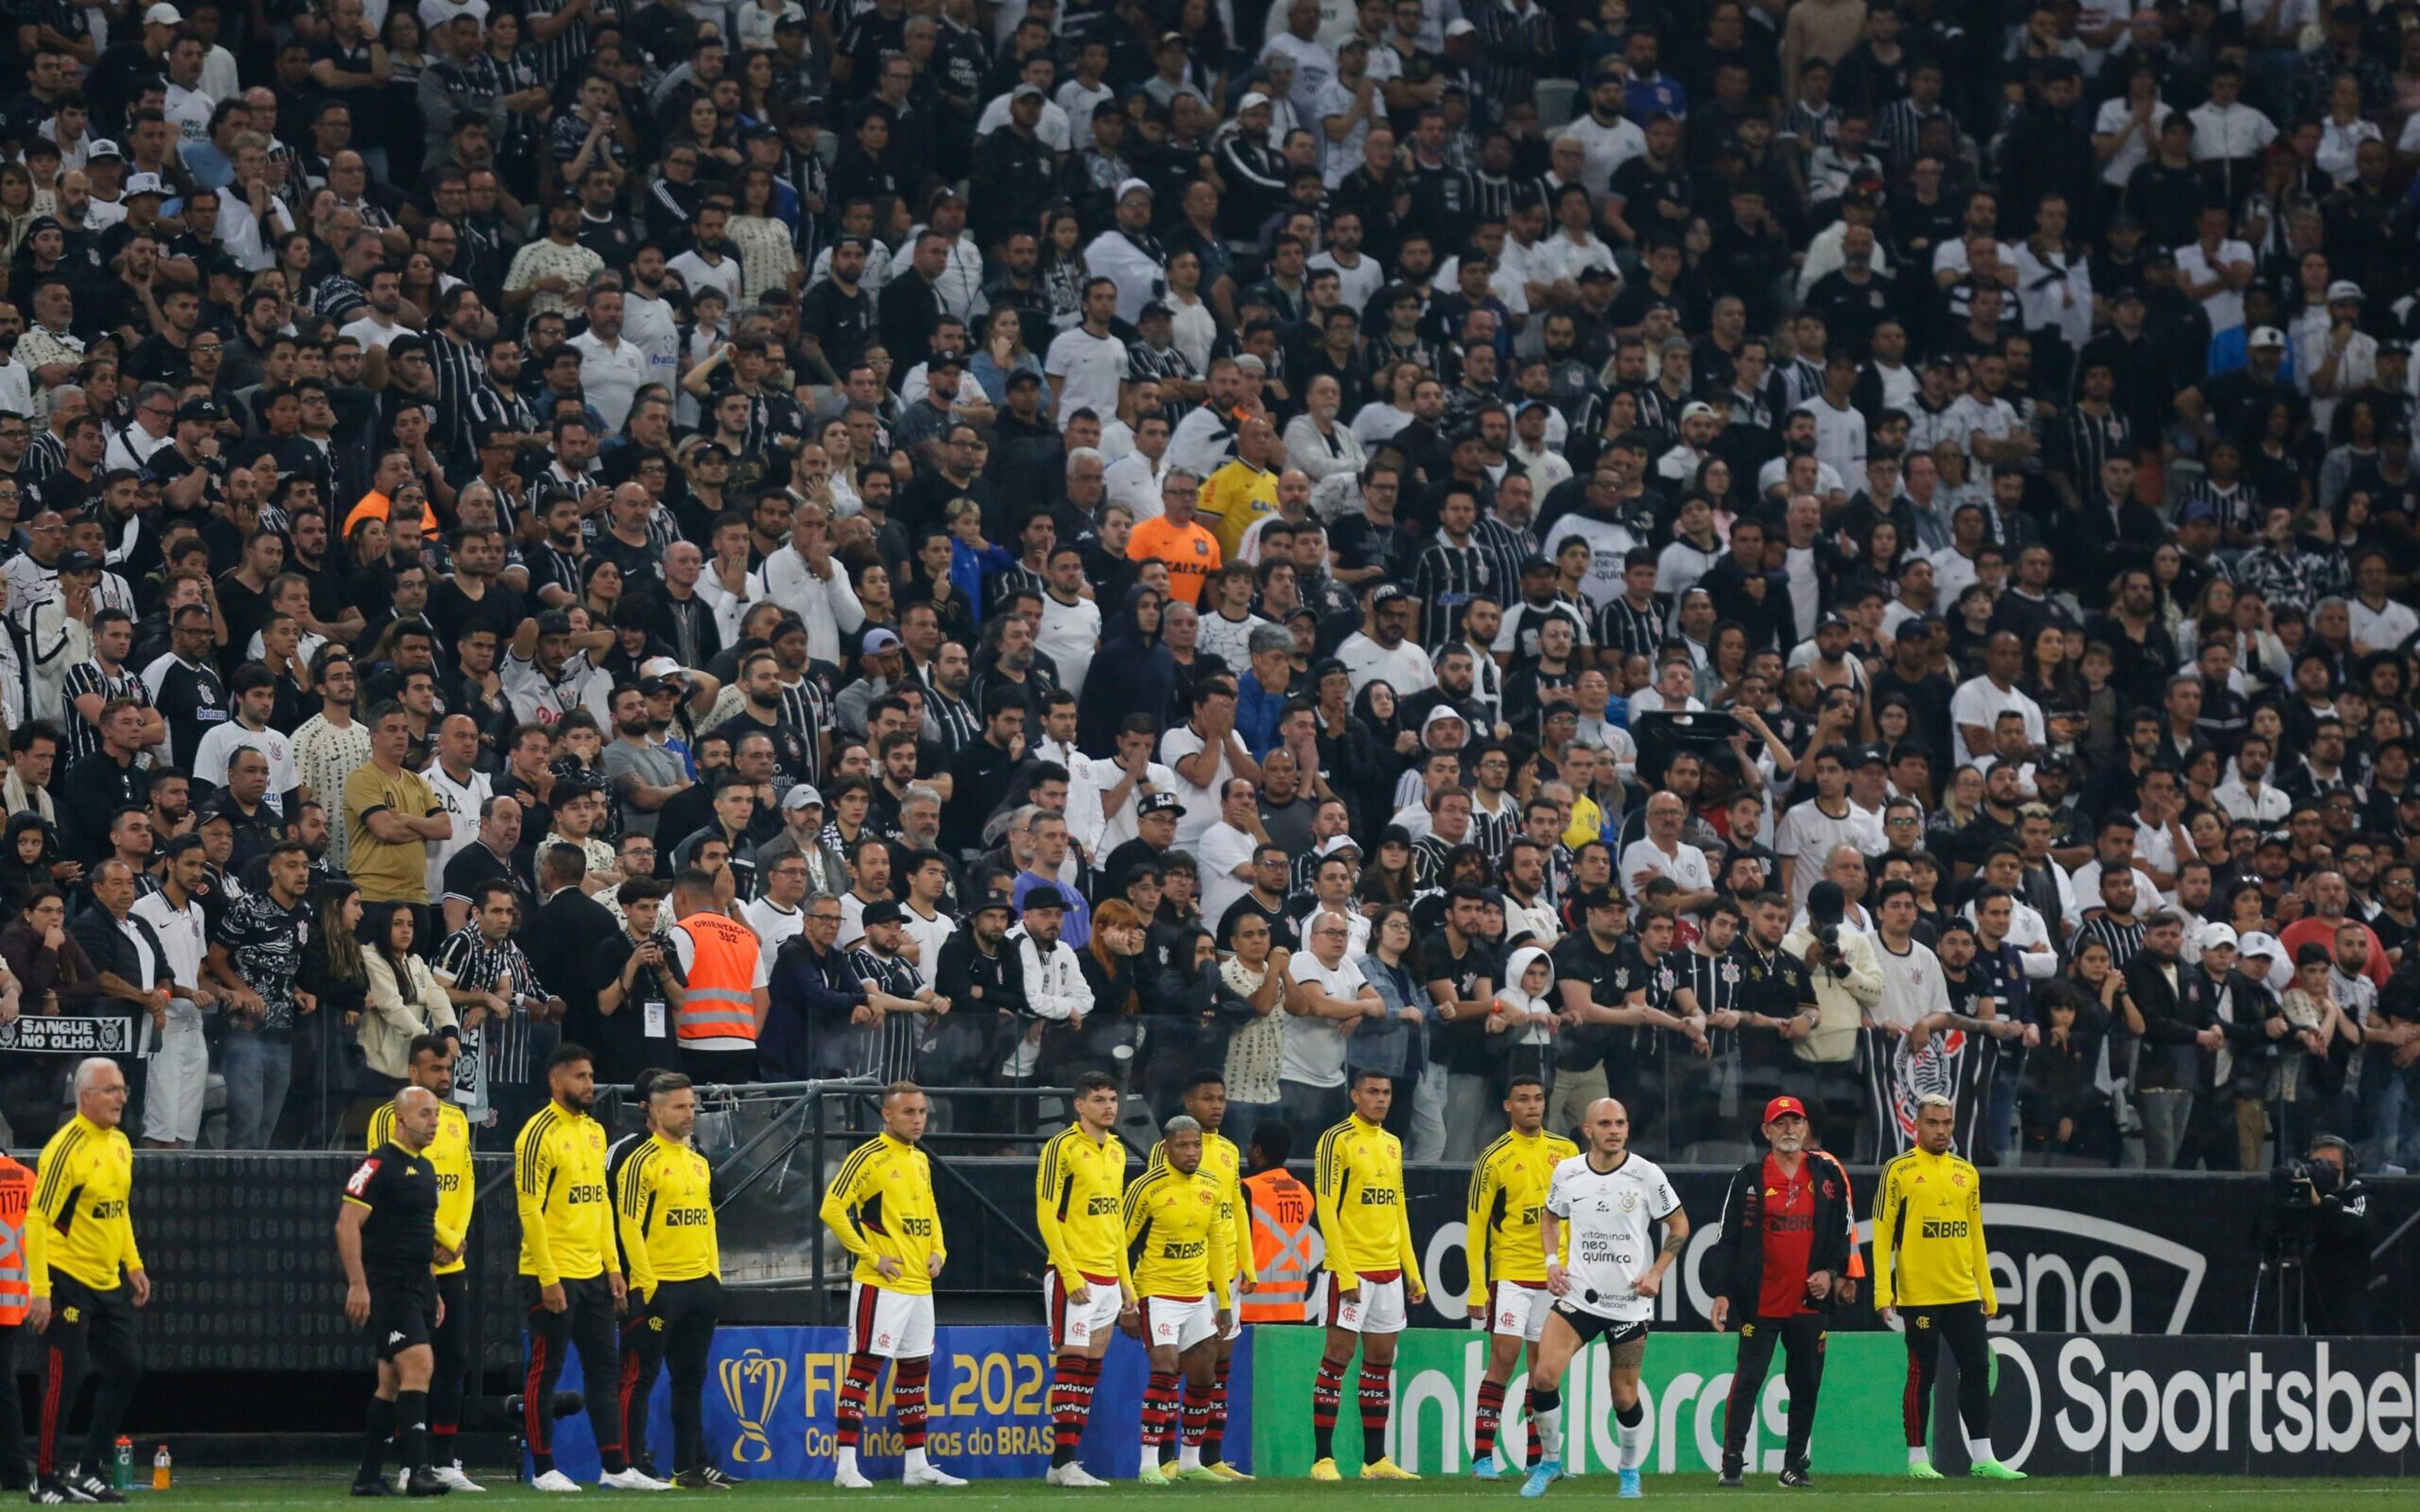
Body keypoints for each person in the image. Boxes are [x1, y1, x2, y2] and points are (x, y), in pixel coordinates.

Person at [514, 1042, 664, 1492]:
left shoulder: (595, 1132)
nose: (589, 1084)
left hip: (594, 1272)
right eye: (579, 1076)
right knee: (547, 1369)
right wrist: (548, 1276)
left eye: (590, 1075)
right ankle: (542, 1469)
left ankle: (615, 1468)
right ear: (556, 1082)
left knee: (606, 1370)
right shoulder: (536, 1134)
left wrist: (613, 1267)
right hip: (553, 1272)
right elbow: (529, 1209)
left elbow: (601, 1204)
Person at [1521, 1096, 1687, 1500]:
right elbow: (1550, 1216)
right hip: (1578, 1297)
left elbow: (1679, 1225)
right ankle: (1550, 1463)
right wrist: (1551, 1262)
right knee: (1543, 1376)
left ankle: (1629, 1471)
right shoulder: (1568, 1172)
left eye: (1622, 1123)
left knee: (1624, 1395)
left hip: (1628, 1304)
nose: (1615, 1130)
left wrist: (1657, 1273)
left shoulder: (1646, 1175)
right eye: (1606, 1124)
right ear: (1588, 1131)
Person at [817, 1080, 964, 1488]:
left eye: (922, 1113)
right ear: (887, 1115)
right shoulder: (868, 1156)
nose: (918, 1120)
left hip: (920, 1284)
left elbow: (931, 1209)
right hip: (882, 1284)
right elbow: (831, 1208)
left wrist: (940, 1250)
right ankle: (845, 1468)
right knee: (864, 1370)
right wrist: (870, 1257)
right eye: (909, 1113)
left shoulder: (919, 1159)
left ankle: (916, 1466)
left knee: (915, 1372)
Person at [1873, 1093, 2025, 1480]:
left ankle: (1983, 1458)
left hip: (1963, 1293)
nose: (1942, 1130)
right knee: (1921, 1374)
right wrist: (1881, 1290)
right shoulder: (1899, 1171)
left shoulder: (1967, 1172)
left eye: (1947, 1123)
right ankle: (1917, 1459)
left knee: (1977, 1369)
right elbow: (1882, 1233)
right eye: (1933, 1123)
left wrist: (1987, 1291)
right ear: (1916, 1126)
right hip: (1920, 1295)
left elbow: (1975, 1235)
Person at [1708, 1096, 1857, 1488]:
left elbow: (1844, 1235)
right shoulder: (1749, 1178)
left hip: (1809, 1304)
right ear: (1767, 1131)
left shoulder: (1827, 1176)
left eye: (1796, 1122)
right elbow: (1727, 1241)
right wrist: (1723, 1293)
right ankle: (1732, 1463)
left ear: (1807, 1129)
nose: (1789, 1129)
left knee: (1805, 1385)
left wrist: (1831, 1272)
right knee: (1748, 1381)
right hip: (1761, 1303)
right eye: (1781, 1123)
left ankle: (1794, 1465)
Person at [28, 1058, 150, 1507]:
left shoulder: (120, 1144)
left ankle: (90, 1468)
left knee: (126, 1368)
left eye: (123, 1090)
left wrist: (132, 1265)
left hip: (106, 1281)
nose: (121, 1097)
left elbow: (118, 1211)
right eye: (111, 1090)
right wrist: (40, 1290)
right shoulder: (66, 1148)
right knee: (65, 1377)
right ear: (85, 1097)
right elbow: (38, 1219)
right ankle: (44, 1478)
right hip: (66, 1279)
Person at [609, 1071, 734, 1490]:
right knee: (639, 1379)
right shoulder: (639, 1161)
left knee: (691, 1381)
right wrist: (646, 1284)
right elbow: (628, 1226)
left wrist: (714, 1277)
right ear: (655, 1110)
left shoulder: (697, 1162)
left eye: (692, 1105)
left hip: (700, 1286)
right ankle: (627, 1468)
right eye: (680, 1106)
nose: (690, 1114)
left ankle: (686, 1469)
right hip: (660, 1287)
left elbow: (707, 1222)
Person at [369, 1035, 481, 1492]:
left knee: (454, 1360)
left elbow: (465, 1183)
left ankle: (447, 1460)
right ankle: (406, 1462)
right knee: (403, 1367)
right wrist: (436, 1242)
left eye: (448, 1070)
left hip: (450, 1261)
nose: (444, 1078)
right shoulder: (387, 1120)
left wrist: (456, 1242)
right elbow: (395, 1190)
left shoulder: (456, 1121)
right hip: (410, 1265)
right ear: (413, 1072)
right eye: (435, 1069)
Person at [1306, 1068, 1423, 1482]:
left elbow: (1398, 1211)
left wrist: (1412, 1270)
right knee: (1337, 1360)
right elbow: (1326, 1208)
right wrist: (1344, 1269)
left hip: (1390, 1272)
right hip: (1351, 1272)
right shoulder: (1337, 1140)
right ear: (1355, 1095)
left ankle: (1375, 1461)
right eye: (1372, 1092)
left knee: (1379, 1362)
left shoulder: (1391, 1144)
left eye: (1387, 1092)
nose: (1381, 1099)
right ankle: (1323, 1459)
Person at [335, 1084, 449, 1498]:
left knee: (391, 1381)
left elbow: (419, 1238)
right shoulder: (378, 1165)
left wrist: (432, 1290)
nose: (434, 1122)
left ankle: (367, 1476)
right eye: (425, 1115)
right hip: (386, 1286)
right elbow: (347, 1224)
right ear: (401, 1120)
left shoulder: (427, 1169)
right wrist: (358, 1283)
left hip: (416, 1286)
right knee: (419, 1364)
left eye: (436, 1114)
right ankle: (418, 1469)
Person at [1465, 1074, 1578, 1480]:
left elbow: (1578, 1216)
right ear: (1508, 1106)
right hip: (1511, 1276)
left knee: (1543, 1370)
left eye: (1538, 1098)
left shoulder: (1566, 1152)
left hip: (1554, 1279)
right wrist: (1478, 1287)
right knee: (1504, 1360)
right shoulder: (1493, 1158)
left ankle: (1540, 1461)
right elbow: (1476, 1228)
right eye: (1523, 1099)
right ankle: (1482, 1457)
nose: (1533, 1105)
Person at [1144, 1072, 1255, 1480]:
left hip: (1226, 1271)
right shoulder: (1168, 1151)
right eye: (1208, 1098)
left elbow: (1237, 1208)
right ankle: (1166, 1457)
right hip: (1186, 1276)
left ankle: (1210, 1456)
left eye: (1222, 1098)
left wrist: (1249, 1263)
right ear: (1188, 1102)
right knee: (1176, 1367)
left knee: (1217, 1367)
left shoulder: (1227, 1150)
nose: (1217, 1105)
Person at [1034, 1070, 1136, 1486]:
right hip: (1073, 1274)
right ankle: (1064, 1463)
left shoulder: (1116, 1151)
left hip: (1109, 1277)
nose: (1109, 1106)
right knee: (1072, 1366)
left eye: (1112, 1099)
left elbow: (1115, 1222)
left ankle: (1062, 1465)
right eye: (1099, 1100)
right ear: (1079, 1105)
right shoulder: (1061, 1148)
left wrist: (1126, 1282)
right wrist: (1069, 1272)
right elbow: (1045, 1213)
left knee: (1091, 1371)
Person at [1122, 1114, 1236, 1484]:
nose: (1192, 1152)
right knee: (1165, 1368)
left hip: (1196, 1295)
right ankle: (1149, 1465)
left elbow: (1217, 1242)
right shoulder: (1147, 1188)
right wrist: (1128, 1298)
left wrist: (1223, 1301)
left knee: (1204, 1376)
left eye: (1197, 1145)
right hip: (1157, 1293)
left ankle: (1190, 1462)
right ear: (1166, 1148)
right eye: (1183, 1145)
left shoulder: (1211, 1185)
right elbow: (1119, 1244)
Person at [666, 866, 769, 1082]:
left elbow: (675, 994)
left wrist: (670, 1048)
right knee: (729, 1116)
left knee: (691, 1114)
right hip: (743, 1047)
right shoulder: (746, 936)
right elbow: (763, 1000)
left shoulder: (684, 931)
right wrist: (749, 1038)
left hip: (696, 1045)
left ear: (681, 896)